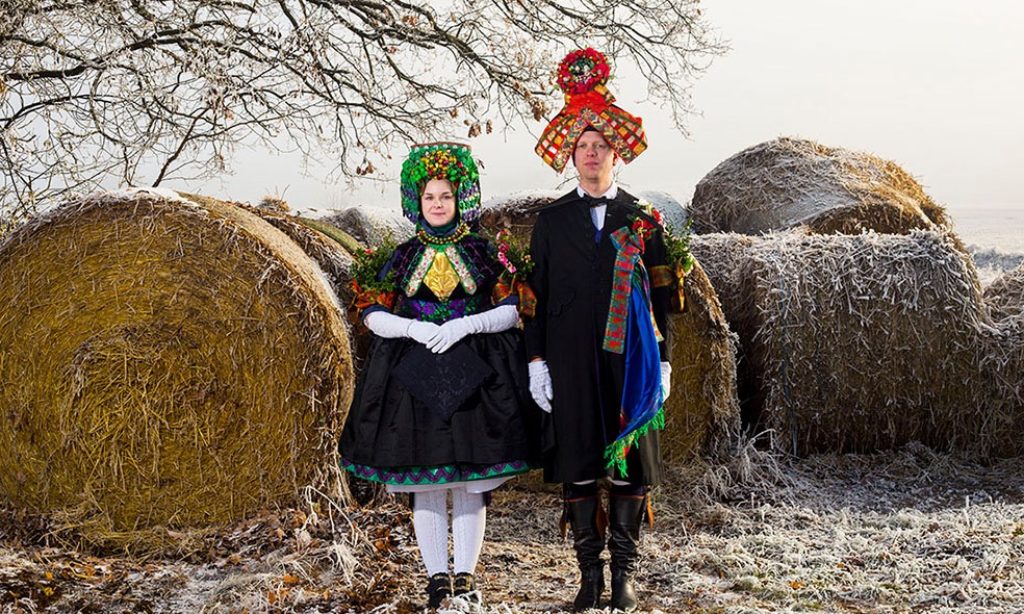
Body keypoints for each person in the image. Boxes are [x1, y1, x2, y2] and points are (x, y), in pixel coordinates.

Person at [339, 142, 537, 609]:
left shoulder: (486, 253)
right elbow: (369, 312)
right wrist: (413, 328)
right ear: (417, 201)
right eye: (430, 197)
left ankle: (466, 576)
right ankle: (436, 579)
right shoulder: (401, 257)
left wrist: (468, 324)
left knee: (470, 482)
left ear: (460, 197)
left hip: (478, 376)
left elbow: (513, 308)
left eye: (446, 196)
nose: (438, 204)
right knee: (424, 481)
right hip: (414, 377)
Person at [526, 48, 675, 613]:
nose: (592, 155)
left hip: (630, 359)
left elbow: (664, 294)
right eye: (583, 147)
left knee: (632, 462)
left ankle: (624, 577)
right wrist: (536, 361)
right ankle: (588, 578)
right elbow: (531, 298)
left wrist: (662, 362)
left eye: (601, 147)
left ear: (616, 154)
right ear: (574, 156)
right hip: (568, 359)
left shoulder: (642, 220)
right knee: (580, 462)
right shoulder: (551, 221)